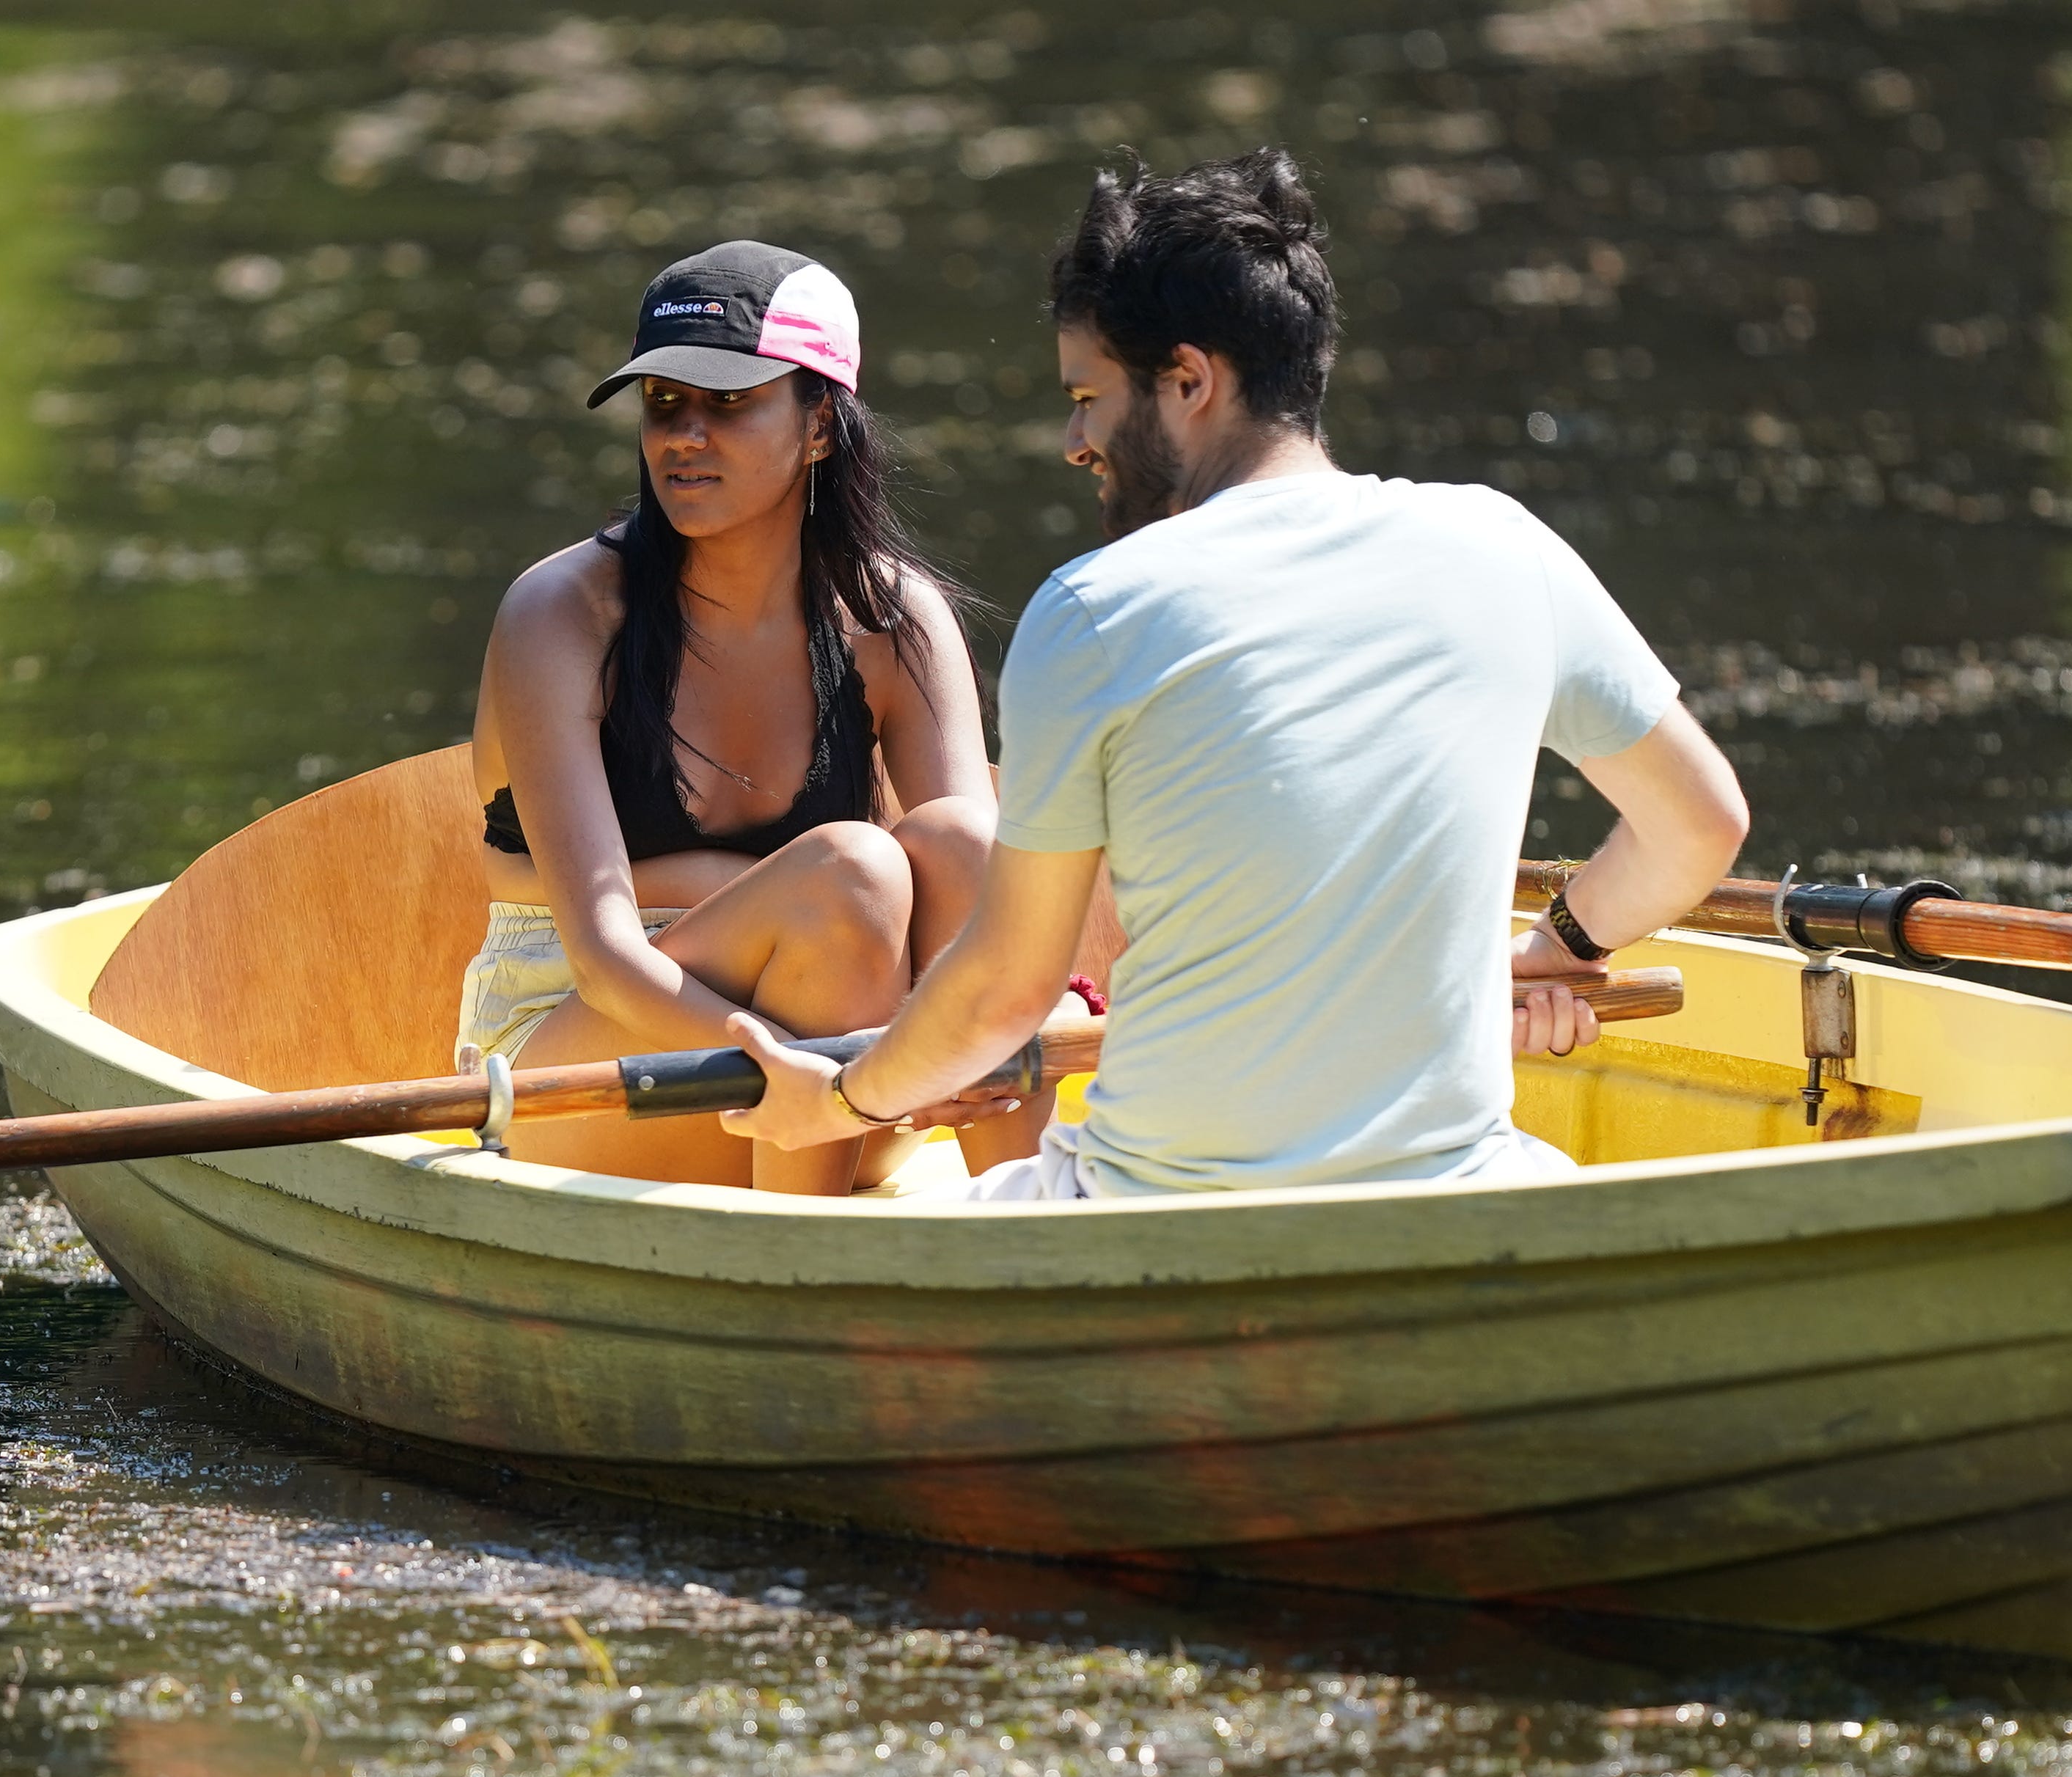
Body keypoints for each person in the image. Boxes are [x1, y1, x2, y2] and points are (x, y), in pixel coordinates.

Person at [725, 151, 1753, 1202]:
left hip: (1157, 1206)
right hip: (1449, 1194)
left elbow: (1006, 991)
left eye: (1089, 396)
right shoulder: (1507, 544)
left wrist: (842, 1100)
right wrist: (1558, 946)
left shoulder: (1098, 608)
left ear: (1189, 381)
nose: (1077, 440)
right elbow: (1701, 824)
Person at [464, 241, 1000, 1194]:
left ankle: (1033, 1221)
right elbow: (603, 957)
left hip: (848, 1067)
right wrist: (812, 1078)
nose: (683, 435)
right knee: (852, 872)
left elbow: (978, 905)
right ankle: (796, 1275)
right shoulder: (562, 614)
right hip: (585, 1061)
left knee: (962, 840)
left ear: (823, 424)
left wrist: (904, 1062)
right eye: (664, 402)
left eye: (728, 402)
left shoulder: (894, 619)